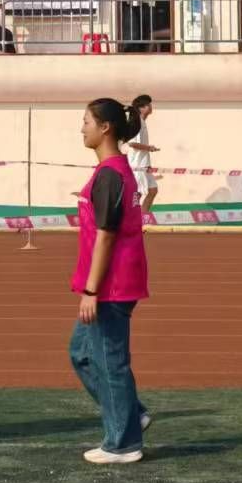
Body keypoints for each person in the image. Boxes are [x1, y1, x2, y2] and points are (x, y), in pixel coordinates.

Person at [70, 97, 151, 464]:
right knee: (82, 354)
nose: (82, 128)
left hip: (111, 285)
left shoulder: (110, 174)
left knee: (110, 361)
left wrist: (91, 290)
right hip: (112, 281)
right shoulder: (113, 171)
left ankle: (123, 443)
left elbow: (106, 236)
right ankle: (132, 414)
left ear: (105, 128)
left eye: (86, 122)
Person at [127, 93, 160, 216]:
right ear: (141, 108)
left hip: (145, 165)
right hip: (137, 166)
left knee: (153, 190)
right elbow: (132, 143)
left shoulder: (143, 122)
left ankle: (142, 217)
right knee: (137, 195)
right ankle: (131, 219)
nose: (151, 107)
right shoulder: (137, 123)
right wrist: (149, 148)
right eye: (148, 105)